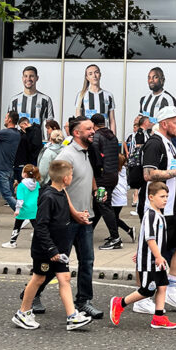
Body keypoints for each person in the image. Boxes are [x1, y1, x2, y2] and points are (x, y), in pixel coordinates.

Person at [11, 160, 93, 331]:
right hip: (45, 250)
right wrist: (51, 249)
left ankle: (72, 317)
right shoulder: (48, 197)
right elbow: (41, 226)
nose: (72, 177)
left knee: (65, 278)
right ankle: (22, 313)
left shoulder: (61, 192)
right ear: (65, 178)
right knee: (39, 278)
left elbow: (62, 217)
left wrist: (77, 215)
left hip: (58, 248)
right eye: (71, 175)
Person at [139, 106, 176, 312]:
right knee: (152, 254)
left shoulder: (170, 142)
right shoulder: (154, 143)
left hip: (175, 207)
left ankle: (171, 288)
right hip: (158, 210)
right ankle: (143, 297)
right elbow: (148, 174)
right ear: (164, 124)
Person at [109, 182, 176, 329]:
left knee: (162, 286)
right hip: (150, 261)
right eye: (162, 196)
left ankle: (158, 318)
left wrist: (142, 251)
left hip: (155, 259)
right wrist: (158, 256)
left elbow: (145, 237)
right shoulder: (151, 215)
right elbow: (150, 238)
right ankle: (119, 303)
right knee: (147, 290)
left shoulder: (159, 214)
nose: (165, 199)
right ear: (151, 197)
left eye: (167, 196)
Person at [53, 117, 104, 318]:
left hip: (86, 217)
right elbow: (58, 186)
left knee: (87, 260)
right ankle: (32, 293)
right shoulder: (66, 154)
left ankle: (83, 301)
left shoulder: (86, 152)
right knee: (57, 261)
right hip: (67, 219)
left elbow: (88, 174)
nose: (93, 131)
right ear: (76, 133)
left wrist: (96, 190)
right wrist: (74, 213)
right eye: (88, 129)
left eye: (93, 128)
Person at [90, 113, 124, 250]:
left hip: (102, 177)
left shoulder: (97, 137)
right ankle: (87, 232)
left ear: (93, 124)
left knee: (104, 205)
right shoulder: (112, 136)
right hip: (113, 175)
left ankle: (115, 238)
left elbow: (96, 157)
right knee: (99, 206)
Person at [2, 165, 41, 249]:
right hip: (34, 208)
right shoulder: (37, 184)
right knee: (37, 226)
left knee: (17, 226)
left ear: (25, 174)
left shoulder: (21, 186)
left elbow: (20, 199)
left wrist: (17, 210)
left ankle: (12, 242)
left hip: (23, 209)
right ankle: (43, 242)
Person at [74, 64, 117, 135]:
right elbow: (78, 119)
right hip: (88, 135)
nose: (94, 76)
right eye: (90, 74)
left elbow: (112, 120)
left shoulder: (108, 95)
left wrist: (113, 138)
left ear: (100, 74)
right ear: (87, 77)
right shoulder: (81, 95)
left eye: (96, 72)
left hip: (104, 135)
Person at [8, 65, 55, 130]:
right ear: (22, 78)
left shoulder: (45, 100)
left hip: (38, 139)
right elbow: (10, 123)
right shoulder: (14, 100)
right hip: (19, 139)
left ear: (37, 78)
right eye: (25, 76)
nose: (28, 79)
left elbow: (50, 123)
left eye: (31, 76)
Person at [110, 154, 134, 242]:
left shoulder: (116, 172)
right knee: (113, 217)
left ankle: (129, 230)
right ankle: (113, 235)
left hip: (117, 198)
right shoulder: (123, 170)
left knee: (113, 218)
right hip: (120, 197)